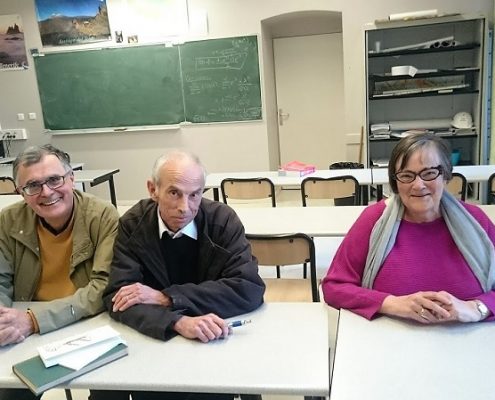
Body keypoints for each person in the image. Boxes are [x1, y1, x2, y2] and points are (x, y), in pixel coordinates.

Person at [103, 150, 265, 400]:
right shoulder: (133, 224)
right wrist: (177, 322)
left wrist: (167, 298)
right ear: (152, 189)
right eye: (174, 192)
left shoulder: (222, 221)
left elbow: (249, 288)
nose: (184, 207)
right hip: (157, 344)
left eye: (194, 195)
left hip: (215, 342)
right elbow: (119, 296)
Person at [322, 132, 494, 324]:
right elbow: (334, 286)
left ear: (445, 175)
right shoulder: (373, 220)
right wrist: (391, 303)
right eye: (406, 176)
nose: (418, 185)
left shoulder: (476, 221)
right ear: (396, 182)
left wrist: (477, 308)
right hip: (389, 345)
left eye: (429, 173)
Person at [0, 145, 120, 400]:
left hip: (86, 322)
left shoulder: (102, 216)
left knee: (111, 391)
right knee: (10, 393)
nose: (46, 192)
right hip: (25, 328)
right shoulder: (7, 221)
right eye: (32, 186)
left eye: (54, 179)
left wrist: (32, 321)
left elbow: (102, 287)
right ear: (21, 193)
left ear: (72, 179)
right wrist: (4, 322)